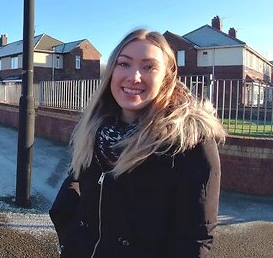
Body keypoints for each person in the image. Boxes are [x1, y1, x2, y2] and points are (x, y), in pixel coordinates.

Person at [49, 28, 226, 258]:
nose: (134, 77)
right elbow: (74, 182)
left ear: (167, 77)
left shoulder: (189, 142)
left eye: (149, 67)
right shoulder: (94, 129)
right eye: (124, 64)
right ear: (112, 70)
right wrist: (72, 238)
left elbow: (194, 240)